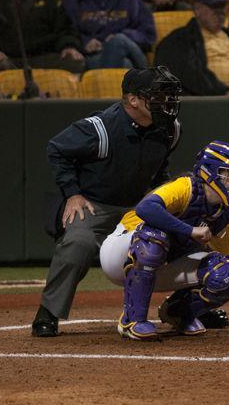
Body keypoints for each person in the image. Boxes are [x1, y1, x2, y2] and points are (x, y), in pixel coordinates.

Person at [31, 66, 183, 338]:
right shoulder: (99, 128)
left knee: (182, 230)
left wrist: (164, 197)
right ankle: (48, 312)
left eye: (168, 95)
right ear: (133, 100)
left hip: (139, 206)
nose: (167, 101)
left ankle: (189, 308)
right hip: (95, 204)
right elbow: (56, 149)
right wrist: (72, 194)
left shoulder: (169, 128)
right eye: (158, 95)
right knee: (79, 242)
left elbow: (160, 169)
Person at [99, 140, 229, 340]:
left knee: (223, 272)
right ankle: (132, 320)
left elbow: (219, 256)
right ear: (212, 172)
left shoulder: (224, 213)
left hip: (161, 263)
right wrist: (190, 231)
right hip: (119, 253)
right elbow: (145, 208)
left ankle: (178, 313)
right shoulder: (186, 187)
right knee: (154, 237)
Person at [62, 0, 156, 69]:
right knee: (125, 65)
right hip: (96, 55)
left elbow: (149, 35)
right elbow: (68, 31)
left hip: (132, 54)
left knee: (118, 40)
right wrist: (86, 42)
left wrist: (125, 36)